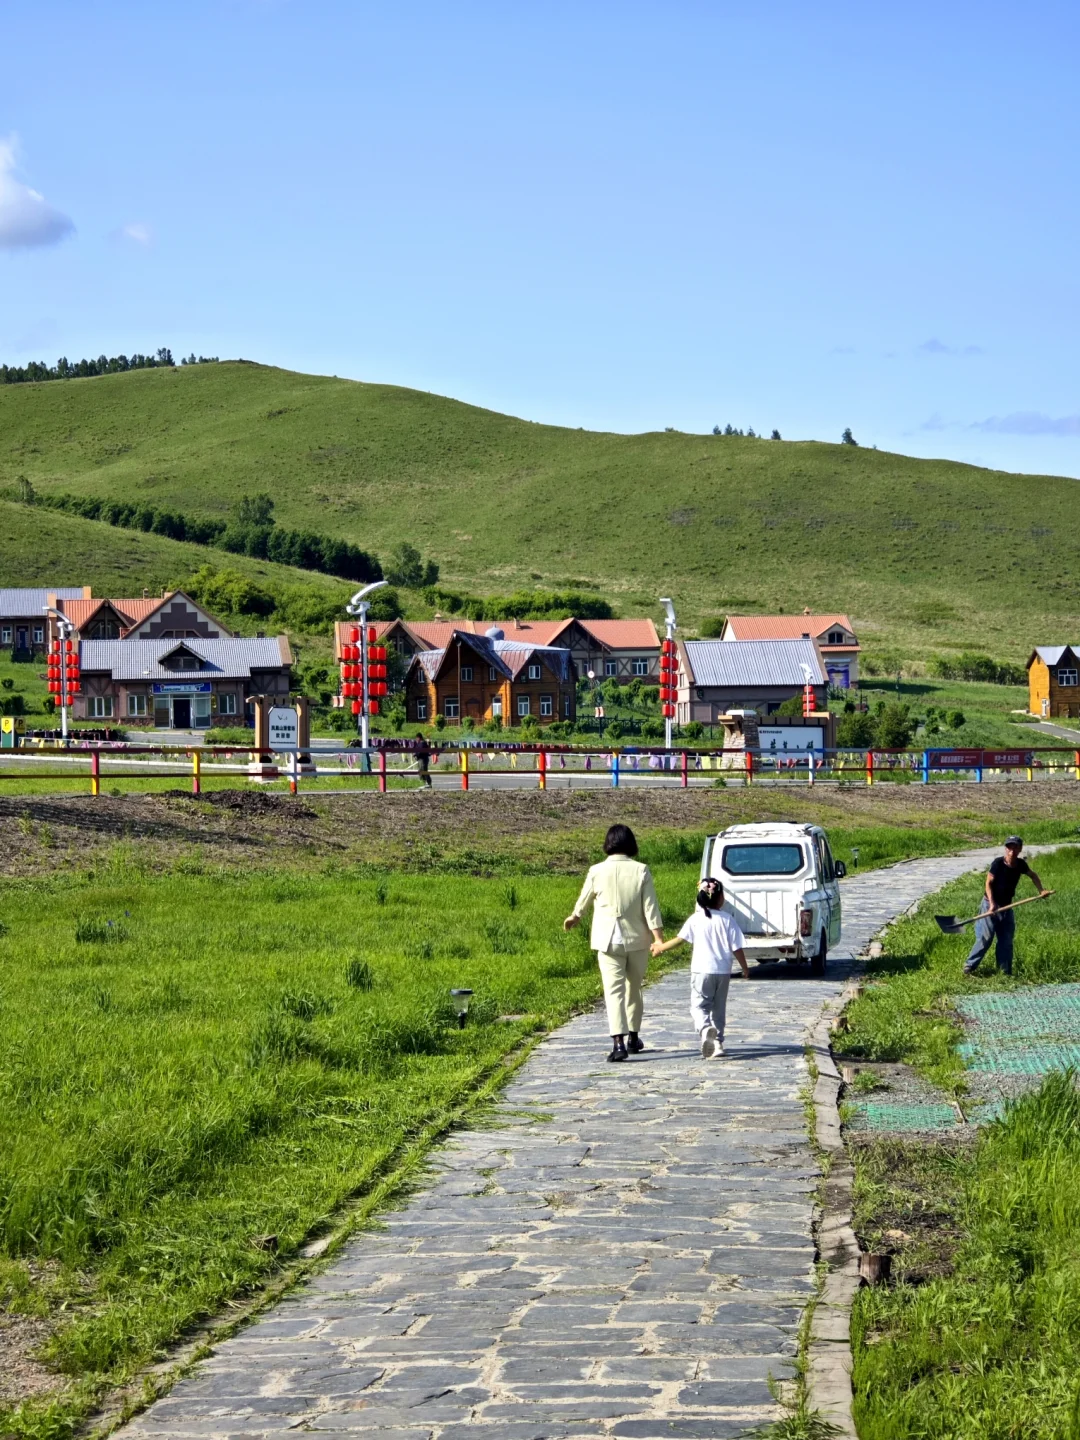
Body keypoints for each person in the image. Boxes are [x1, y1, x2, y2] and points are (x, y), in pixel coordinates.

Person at [564, 823, 664, 1062]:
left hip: (607, 940)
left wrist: (575, 917)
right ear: (631, 844)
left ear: (608, 844)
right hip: (637, 938)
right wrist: (658, 938)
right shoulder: (641, 870)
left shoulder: (596, 871)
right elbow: (650, 907)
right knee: (634, 988)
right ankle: (633, 1038)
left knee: (613, 991)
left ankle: (618, 1043)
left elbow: (584, 899)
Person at [651, 878, 748, 1059]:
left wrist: (660, 947)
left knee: (699, 1006)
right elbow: (737, 948)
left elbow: (679, 940)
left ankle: (705, 1029)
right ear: (721, 898)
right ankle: (717, 1043)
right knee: (719, 1008)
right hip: (723, 972)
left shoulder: (695, 919)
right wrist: (745, 968)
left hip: (702, 970)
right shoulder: (728, 920)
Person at [963, 836, 1049, 977]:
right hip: (990, 903)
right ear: (1006, 849)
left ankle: (1004, 972)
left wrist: (1041, 890)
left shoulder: (1020, 864)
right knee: (986, 937)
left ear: (1020, 849)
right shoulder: (998, 863)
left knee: (1006, 940)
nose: (1012, 851)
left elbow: (1033, 875)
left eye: (1015, 848)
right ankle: (969, 966)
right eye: (1009, 847)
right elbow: (988, 883)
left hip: (1006, 906)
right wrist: (992, 904)